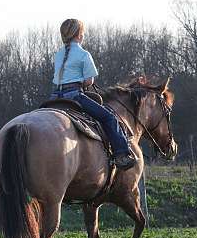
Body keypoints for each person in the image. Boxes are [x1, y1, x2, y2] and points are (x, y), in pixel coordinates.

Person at [50, 18, 137, 170]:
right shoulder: (83, 54)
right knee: (109, 117)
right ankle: (121, 154)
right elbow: (88, 82)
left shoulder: (58, 55)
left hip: (55, 98)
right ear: (79, 35)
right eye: (82, 32)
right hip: (74, 96)